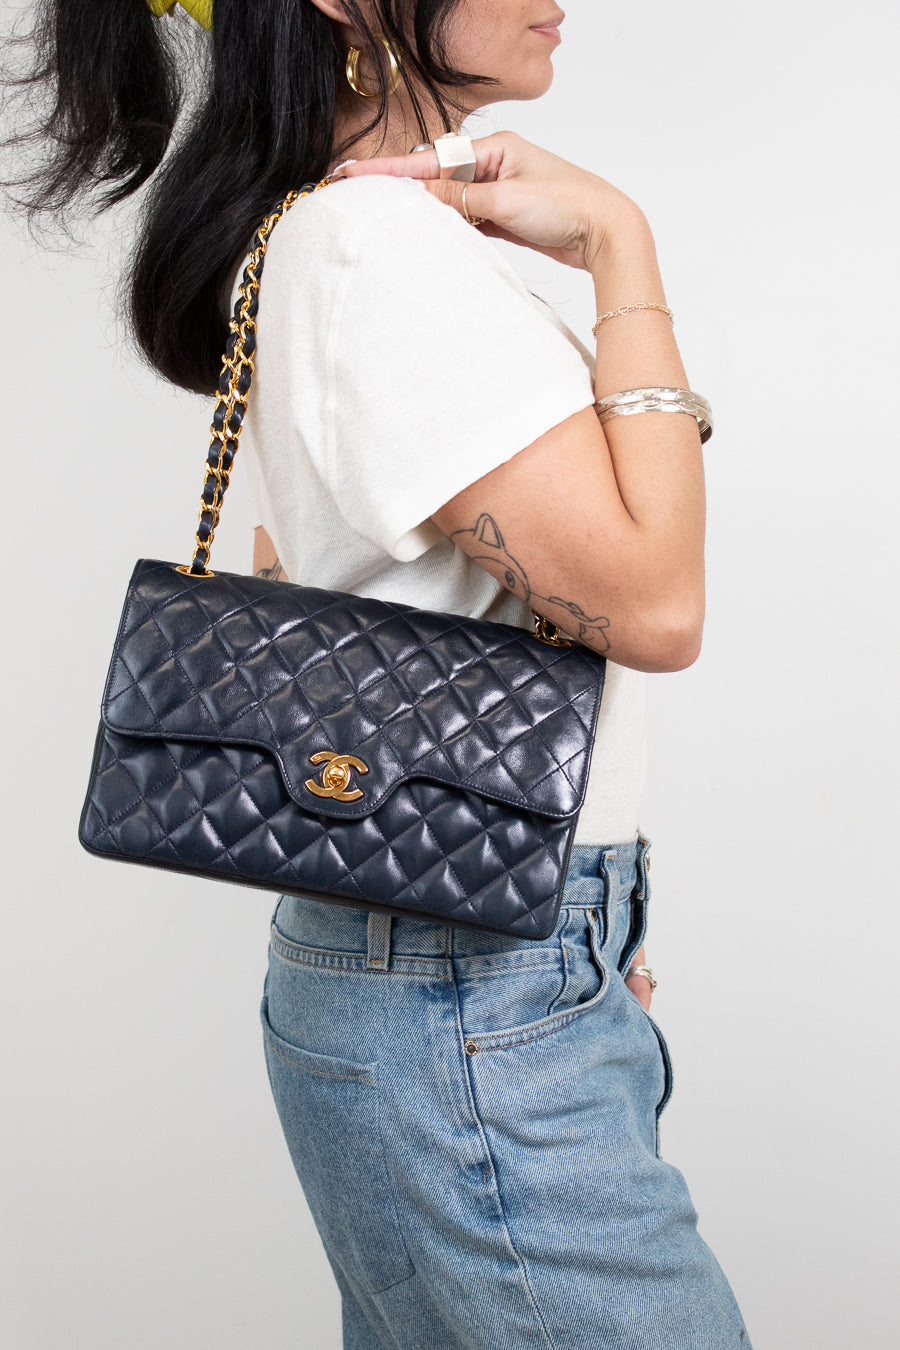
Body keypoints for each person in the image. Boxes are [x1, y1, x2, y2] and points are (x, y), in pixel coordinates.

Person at [3, 1, 752, 1344]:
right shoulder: (372, 246)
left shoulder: (331, 235)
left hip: (454, 962)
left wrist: (584, 932)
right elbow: (656, 604)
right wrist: (621, 247)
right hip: (465, 988)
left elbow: (305, 562)